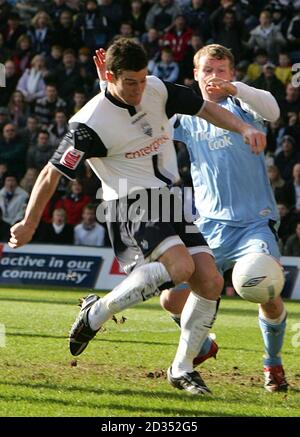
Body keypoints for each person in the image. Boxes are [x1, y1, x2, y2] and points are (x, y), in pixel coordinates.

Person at [9, 38, 265, 395]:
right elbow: (52, 174)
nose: (139, 88)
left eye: (143, 79)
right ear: (110, 76)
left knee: (209, 281)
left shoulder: (156, 90)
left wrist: (245, 128)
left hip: (169, 199)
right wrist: (30, 221)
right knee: (181, 267)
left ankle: (182, 368)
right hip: (128, 200)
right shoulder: (88, 124)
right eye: (130, 82)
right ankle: (96, 314)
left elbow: (203, 108)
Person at [159, 44, 289, 393]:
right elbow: (143, 121)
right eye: (208, 70)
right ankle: (201, 346)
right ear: (196, 75)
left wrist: (235, 90)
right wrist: (105, 87)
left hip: (254, 223)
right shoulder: (187, 117)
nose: (214, 77)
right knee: (171, 299)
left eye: (221, 70)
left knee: (268, 294)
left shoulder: (245, 106)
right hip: (210, 228)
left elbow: (274, 110)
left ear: (231, 74)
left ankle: (272, 364)